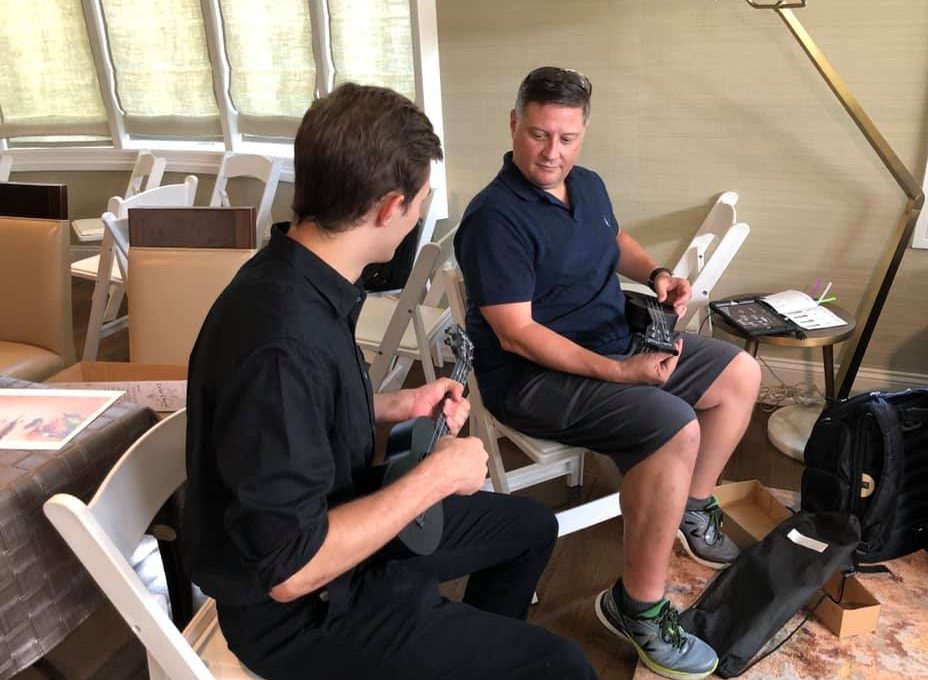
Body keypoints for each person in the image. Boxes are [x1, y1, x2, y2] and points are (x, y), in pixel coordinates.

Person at [182, 83, 597, 680]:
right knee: (564, 667)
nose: (418, 218)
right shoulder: (279, 340)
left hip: (334, 514)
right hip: (301, 611)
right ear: (388, 208)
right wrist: (432, 479)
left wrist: (388, 406)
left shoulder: (298, 275)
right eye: (422, 203)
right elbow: (289, 570)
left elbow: (293, 416)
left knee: (532, 526)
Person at [454, 66, 762, 680]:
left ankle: (690, 506)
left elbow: (613, 238)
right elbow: (518, 333)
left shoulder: (585, 184)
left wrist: (656, 275)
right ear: (514, 124)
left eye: (567, 138)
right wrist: (623, 373)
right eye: (540, 135)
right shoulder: (494, 218)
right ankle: (635, 607)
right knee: (673, 426)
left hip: (614, 336)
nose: (552, 152)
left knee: (739, 375)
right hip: (534, 377)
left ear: (584, 133)